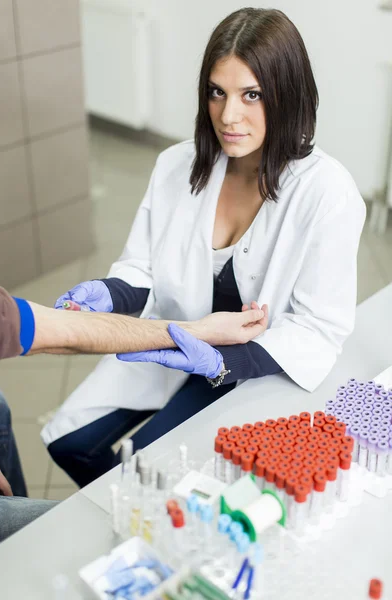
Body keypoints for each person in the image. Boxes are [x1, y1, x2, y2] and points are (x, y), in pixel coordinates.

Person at [43, 7, 366, 488]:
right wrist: (111, 293)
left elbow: (318, 327)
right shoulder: (178, 165)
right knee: (65, 441)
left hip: (252, 366)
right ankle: (125, 507)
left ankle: (142, 514)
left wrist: (222, 362)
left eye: (251, 95)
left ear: (288, 94)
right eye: (217, 92)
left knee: (145, 465)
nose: (228, 116)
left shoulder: (327, 193)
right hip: (175, 344)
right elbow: (143, 268)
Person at [0, 283, 263, 546]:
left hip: (243, 368)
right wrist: (197, 331)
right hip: (190, 340)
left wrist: (114, 290)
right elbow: (59, 331)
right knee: (77, 521)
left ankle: (16, 505)